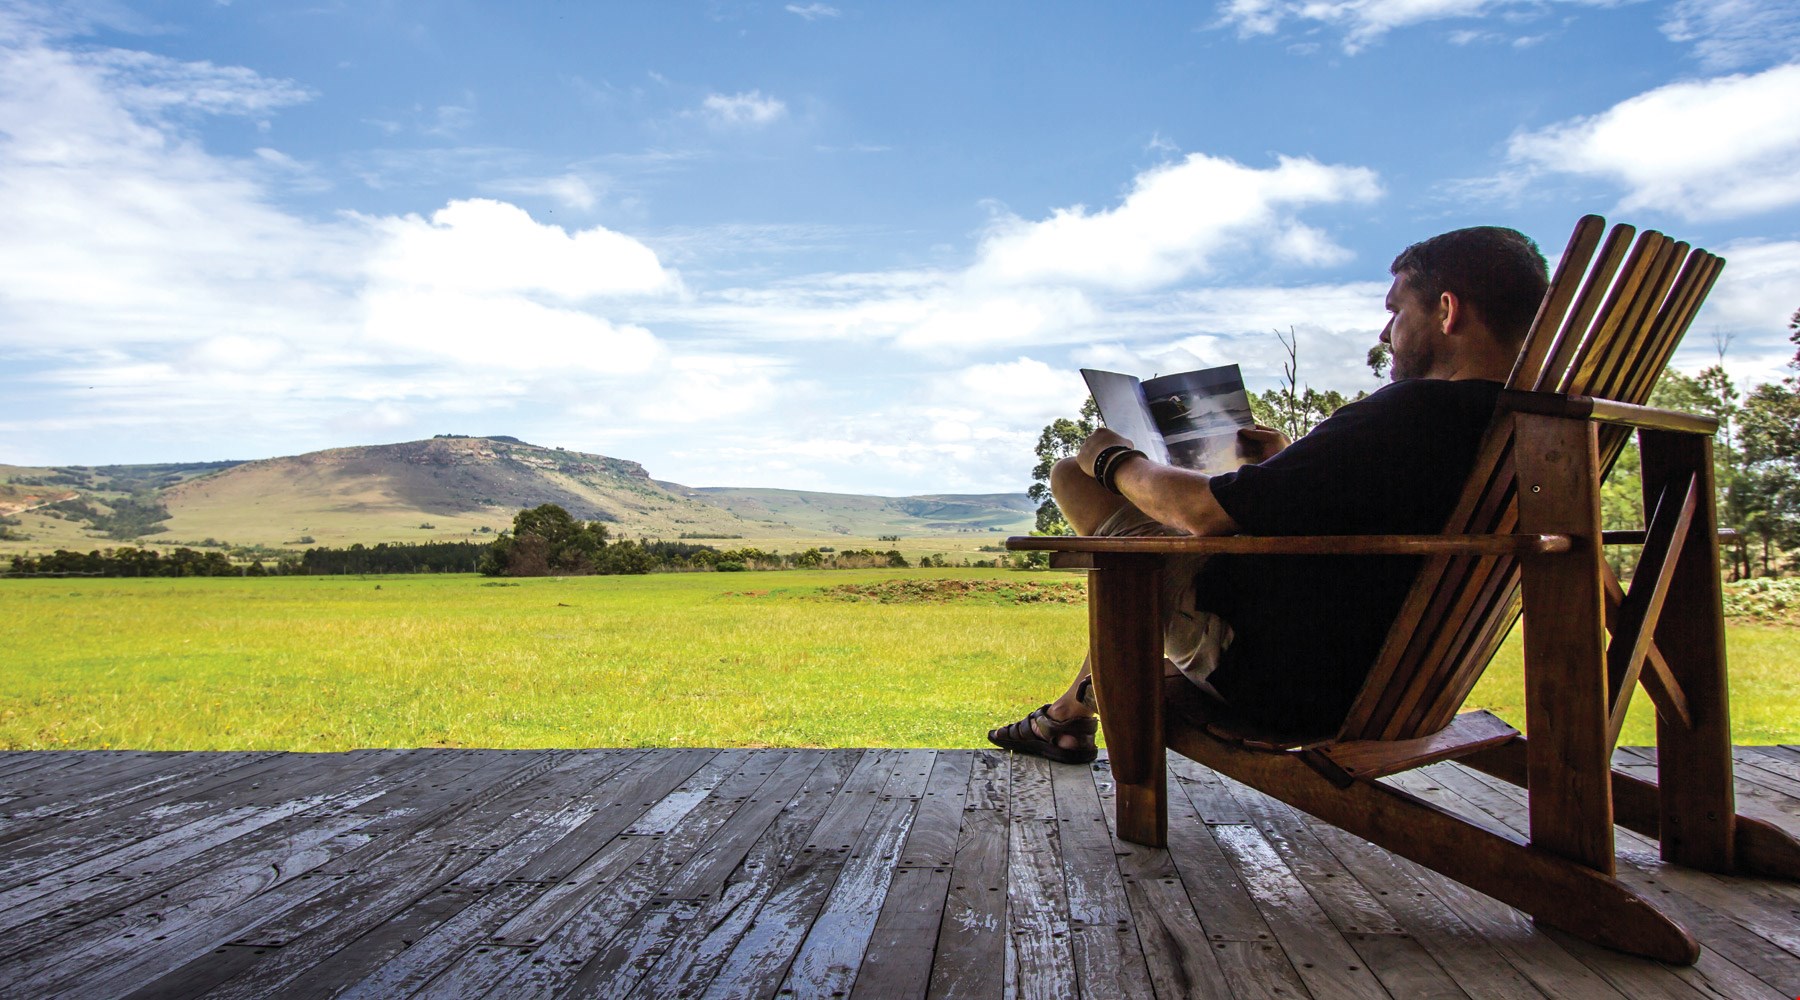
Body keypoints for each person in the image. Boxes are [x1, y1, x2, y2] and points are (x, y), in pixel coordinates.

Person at [989, 226, 1550, 764]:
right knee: (1142, 537)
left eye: (1396, 311)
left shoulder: (1414, 412)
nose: (1385, 335)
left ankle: (1077, 728)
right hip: (1395, 675)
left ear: (1448, 311)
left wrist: (1113, 459)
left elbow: (1201, 512)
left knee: (1073, 477)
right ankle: (1067, 713)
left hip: (1279, 676)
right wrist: (1289, 462)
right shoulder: (1526, 430)